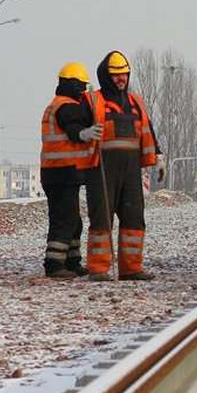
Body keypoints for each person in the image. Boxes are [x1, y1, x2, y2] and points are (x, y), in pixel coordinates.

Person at [80, 51, 164, 281]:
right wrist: (85, 133)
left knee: (134, 218)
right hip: (102, 168)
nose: (121, 79)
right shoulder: (93, 100)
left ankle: (131, 268)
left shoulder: (135, 101)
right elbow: (73, 126)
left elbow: (148, 131)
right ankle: (98, 269)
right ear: (106, 77)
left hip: (130, 170)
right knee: (101, 218)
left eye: (124, 75)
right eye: (116, 75)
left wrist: (158, 157)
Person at [38, 62, 99, 278]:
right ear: (73, 84)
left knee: (73, 219)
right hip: (61, 172)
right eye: (82, 87)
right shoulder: (66, 106)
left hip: (57, 173)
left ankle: (72, 261)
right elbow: (74, 126)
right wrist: (85, 131)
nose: (83, 91)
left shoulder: (56, 104)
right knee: (64, 220)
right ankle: (55, 265)